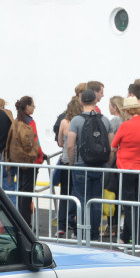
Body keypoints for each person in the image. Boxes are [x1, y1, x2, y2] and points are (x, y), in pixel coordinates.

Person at [111, 96, 140, 246]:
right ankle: (127, 236)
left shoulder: (125, 126)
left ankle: (138, 238)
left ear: (127, 110)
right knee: (135, 203)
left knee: (128, 205)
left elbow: (113, 146)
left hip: (126, 168)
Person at [66, 89, 109, 239]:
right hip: (99, 165)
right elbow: (110, 145)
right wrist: (107, 164)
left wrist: (72, 163)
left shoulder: (76, 120)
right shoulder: (104, 120)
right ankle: (94, 233)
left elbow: (70, 145)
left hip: (81, 165)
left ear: (81, 102)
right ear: (95, 101)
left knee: (82, 199)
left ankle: (82, 232)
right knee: (96, 200)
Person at [2, 95, 43, 225]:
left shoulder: (16, 121)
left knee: (20, 191)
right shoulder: (30, 122)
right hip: (30, 162)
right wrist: (41, 157)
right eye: (33, 105)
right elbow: (35, 142)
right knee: (27, 193)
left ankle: (21, 221)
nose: (34, 107)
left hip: (19, 161)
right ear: (27, 107)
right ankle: (26, 223)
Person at [54, 97, 83, 236]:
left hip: (66, 162)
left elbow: (60, 142)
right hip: (79, 163)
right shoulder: (81, 122)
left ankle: (61, 226)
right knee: (78, 196)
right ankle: (77, 228)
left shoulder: (64, 122)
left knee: (64, 196)